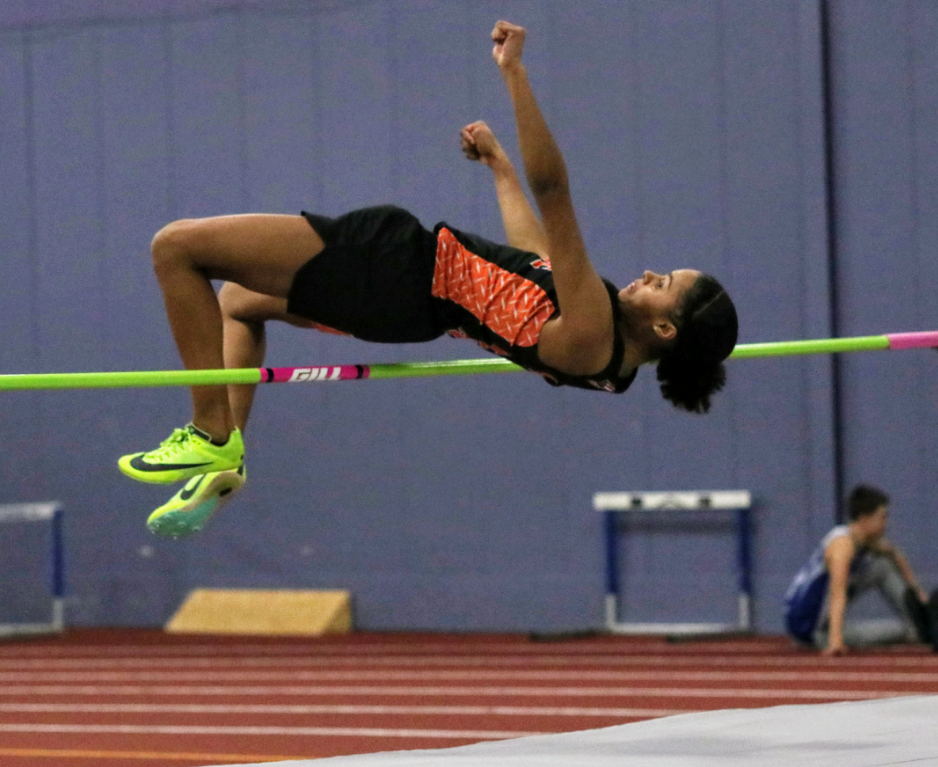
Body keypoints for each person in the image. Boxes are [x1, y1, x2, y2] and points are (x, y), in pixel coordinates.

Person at [117, 21, 739, 539]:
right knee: (239, 302)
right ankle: (226, 454)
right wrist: (500, 169)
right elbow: (536, 257)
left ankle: (210, 432)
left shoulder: (591, 332)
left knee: (177, 248)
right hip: (406, 302)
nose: (649, 274)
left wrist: (514, 75)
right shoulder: (608, 359)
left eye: (664, 283)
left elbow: (554, 191)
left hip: (396, 271)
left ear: (665, 327)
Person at [784, 484, 938, 655]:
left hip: (815, 615)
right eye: (882, 517)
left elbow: (894, 554)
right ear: (864, 519)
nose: (886, 524)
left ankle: (920, 619)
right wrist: (835, 640)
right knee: (907, 632)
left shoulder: (862, 540)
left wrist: (919, 593)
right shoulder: (843, 547)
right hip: (810, 629)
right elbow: (837, 593)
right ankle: (919, 630)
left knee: (882, 566)